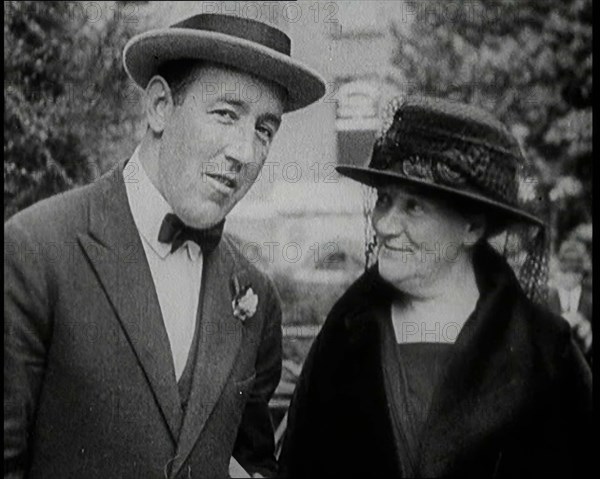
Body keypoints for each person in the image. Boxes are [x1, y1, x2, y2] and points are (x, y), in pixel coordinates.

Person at [4, 13, 325, 479]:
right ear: (159, 106)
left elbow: (253, 463)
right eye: (226, 114)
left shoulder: (255, 297)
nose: (245, 152)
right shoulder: (35, 252)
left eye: (264, 129)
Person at [279, 96, 592, 478]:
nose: (385, 225)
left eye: (414, 207)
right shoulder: (345, 334)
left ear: (472, 228)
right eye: (385, 200)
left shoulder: (545, 351)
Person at [548, 239, 593, 365]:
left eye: (574, 272)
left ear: (580, 275)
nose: (569, 277)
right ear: (558, 272)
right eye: (565, 271)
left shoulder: (590, 301)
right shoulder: (547, 300)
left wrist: (589, 334)